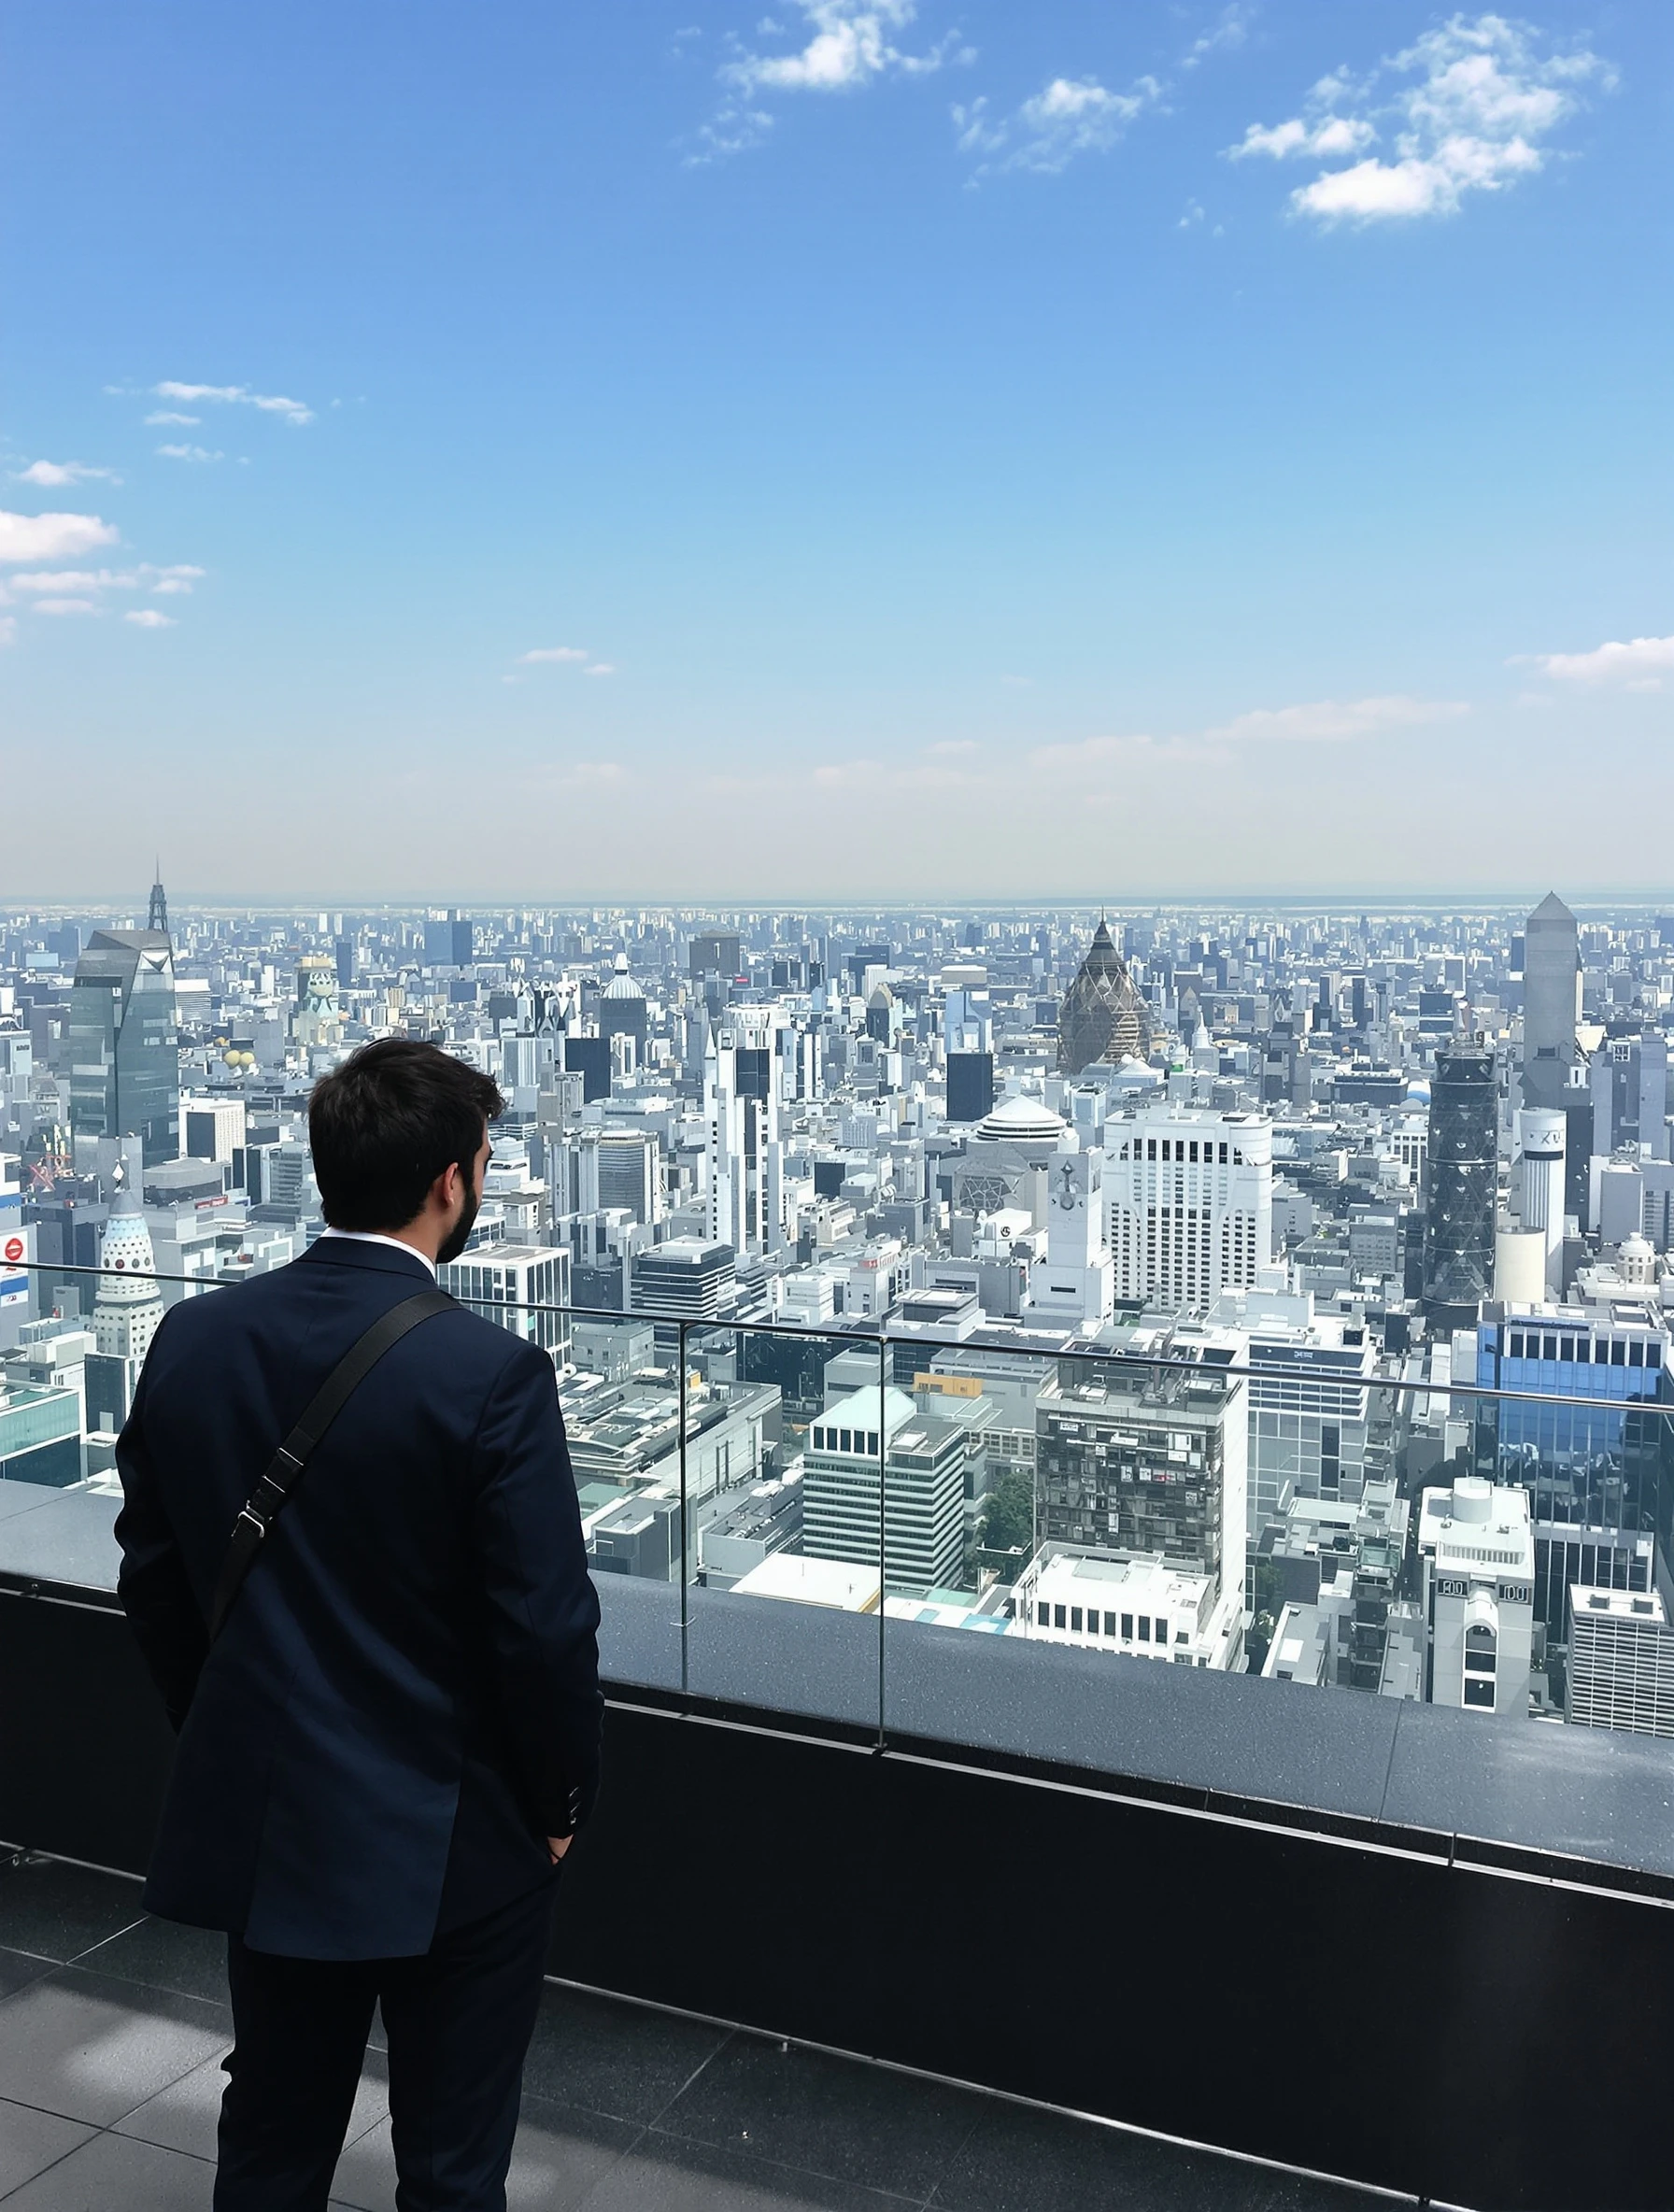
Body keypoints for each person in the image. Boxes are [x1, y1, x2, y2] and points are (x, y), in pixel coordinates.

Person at [115, 1038, 602, 2211]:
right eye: (483, 1163)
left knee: (272, 2144)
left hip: (276, 1820)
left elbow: (154, 1577)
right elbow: (542, 1627)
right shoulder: (489, 1374)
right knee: (451, 2164)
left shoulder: (195, 1335)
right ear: (449, 1182)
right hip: (456, 1837)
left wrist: (228, 1735)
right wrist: (557, 1808)